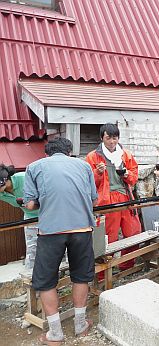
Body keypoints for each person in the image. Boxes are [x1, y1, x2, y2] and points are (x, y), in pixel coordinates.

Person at [23, 137, 98, 345]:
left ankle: (55, 334)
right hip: (82, 228)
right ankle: (80, 325)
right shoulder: (84, 166)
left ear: (47, 153)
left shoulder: (34, 167)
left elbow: (29, 205)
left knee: (46, 280)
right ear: (69, 152)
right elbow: (94, 200)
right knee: (81, 276)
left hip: (51, 231)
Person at [86, 123, 141, 273]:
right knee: (107, 236)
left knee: (132, 232)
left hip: (125, 196)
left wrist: (126, 174)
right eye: (108, 138)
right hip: (106, 200)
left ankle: (127, 267)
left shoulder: (125, 154)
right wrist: (97, 173)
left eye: (115, 138)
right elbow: (88, 183)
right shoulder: (93, 157)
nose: (112, 142)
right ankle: (103, 272)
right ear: (102, 138)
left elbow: (134, 177)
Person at [0, 164, 39, 273]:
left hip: (49, 214)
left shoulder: (24, 178)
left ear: (4, 180)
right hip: (30, 217)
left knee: (56, 246)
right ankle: (31, 275)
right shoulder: (1, 192)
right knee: (32, 249)